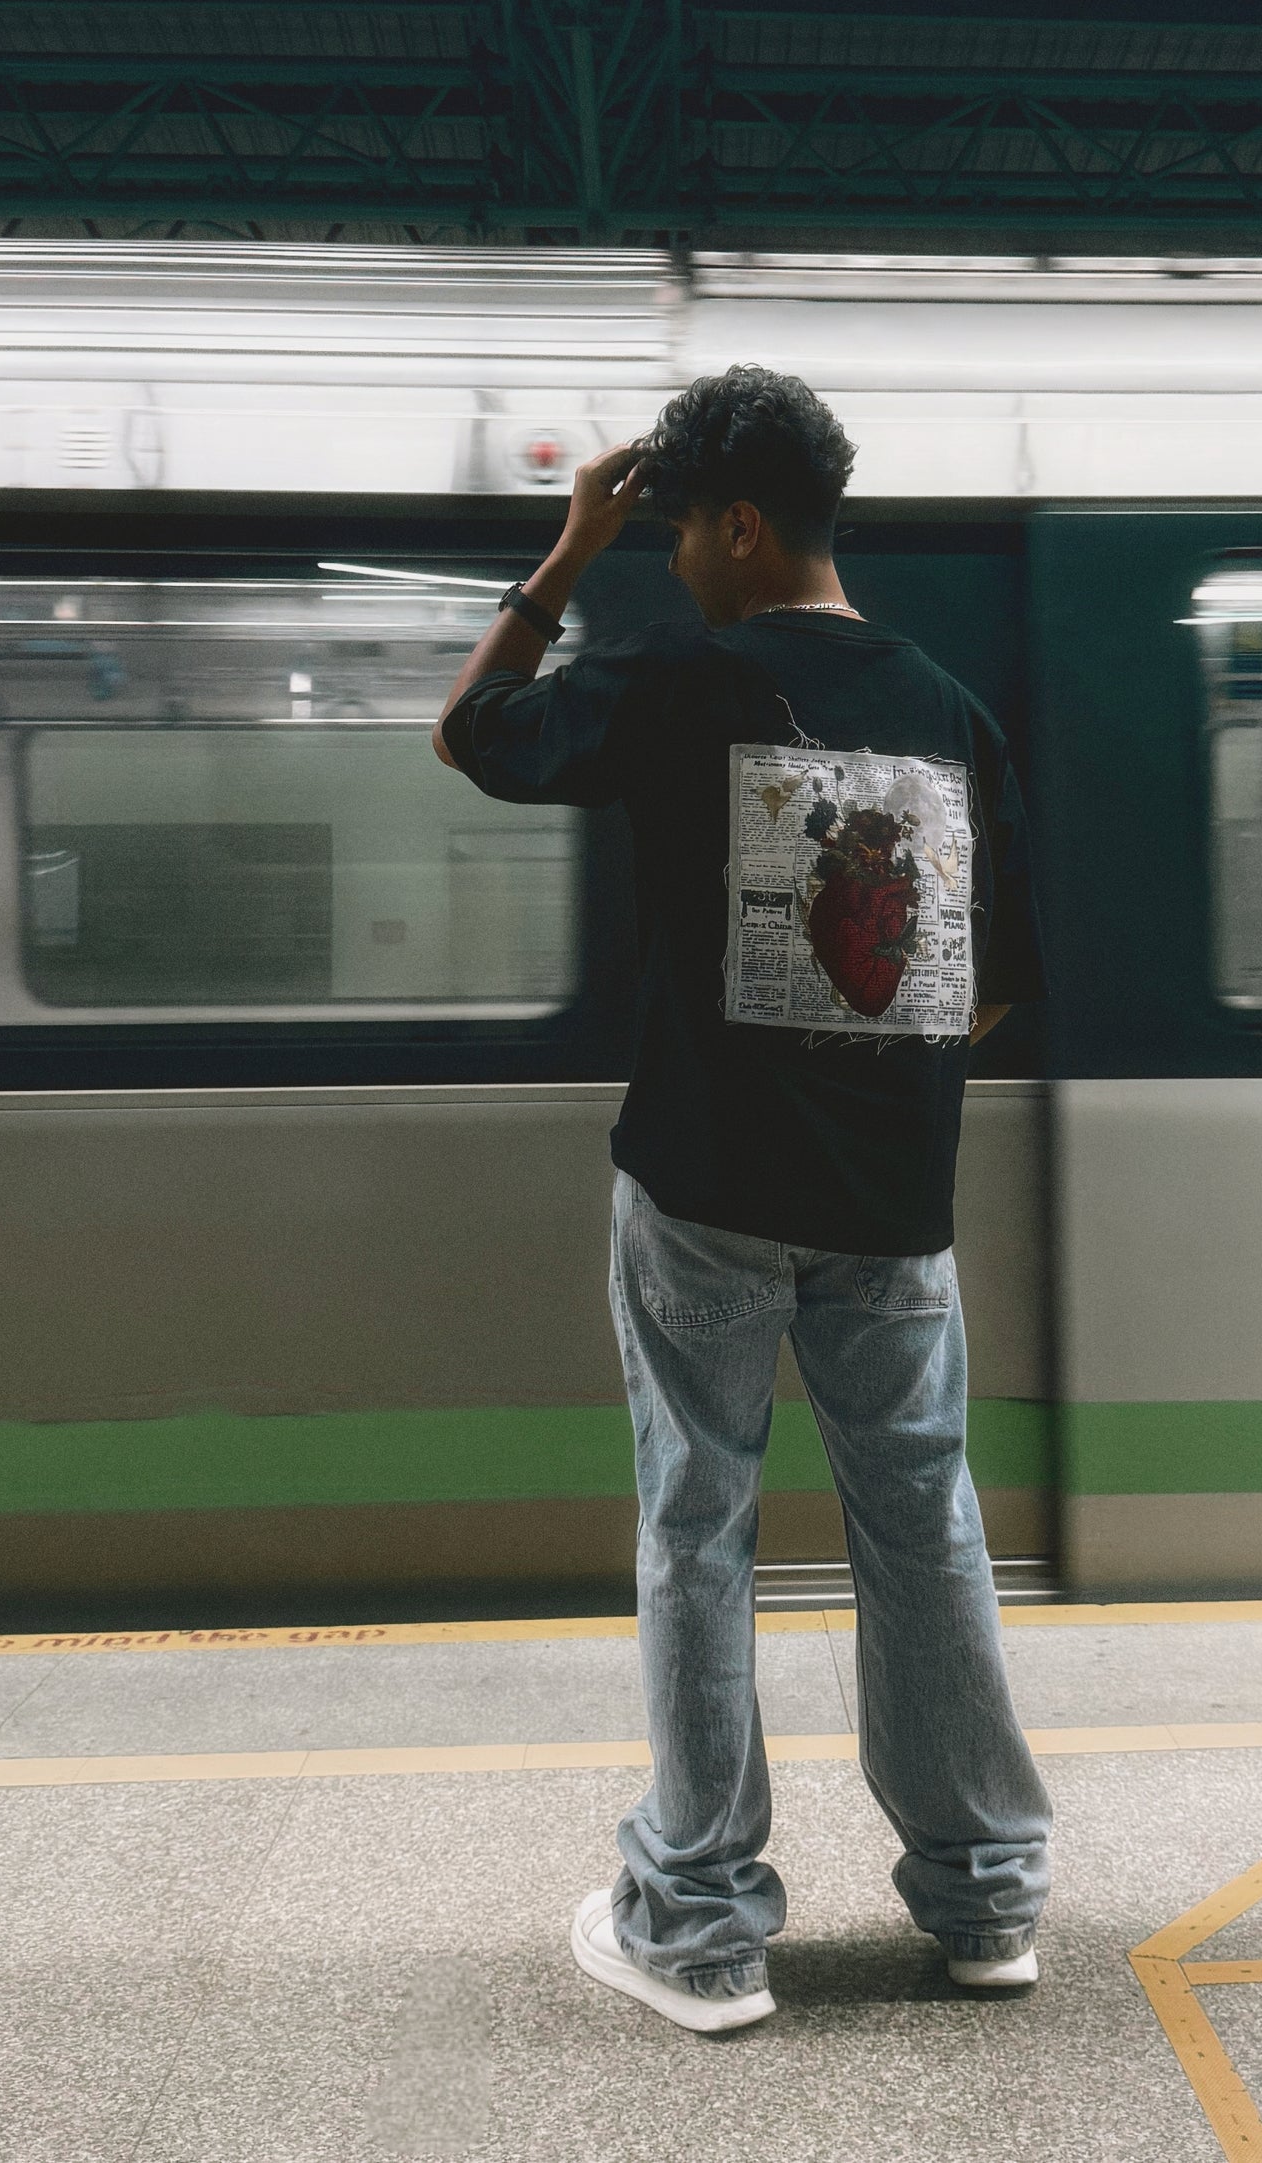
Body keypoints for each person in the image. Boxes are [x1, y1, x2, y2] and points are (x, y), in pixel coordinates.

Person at [433, 365, 1051, 2035]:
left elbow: (472, 733)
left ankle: (700, 1926)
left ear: (738, 524)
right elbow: (987, 983)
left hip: (704, 1189)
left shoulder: (676, 679)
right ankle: (984, 1899)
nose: (671, 561)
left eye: (676, 533)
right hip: (890, 1204)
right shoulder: (946, 707)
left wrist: (568, 552)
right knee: (924, 1531)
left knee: (696, 1530)